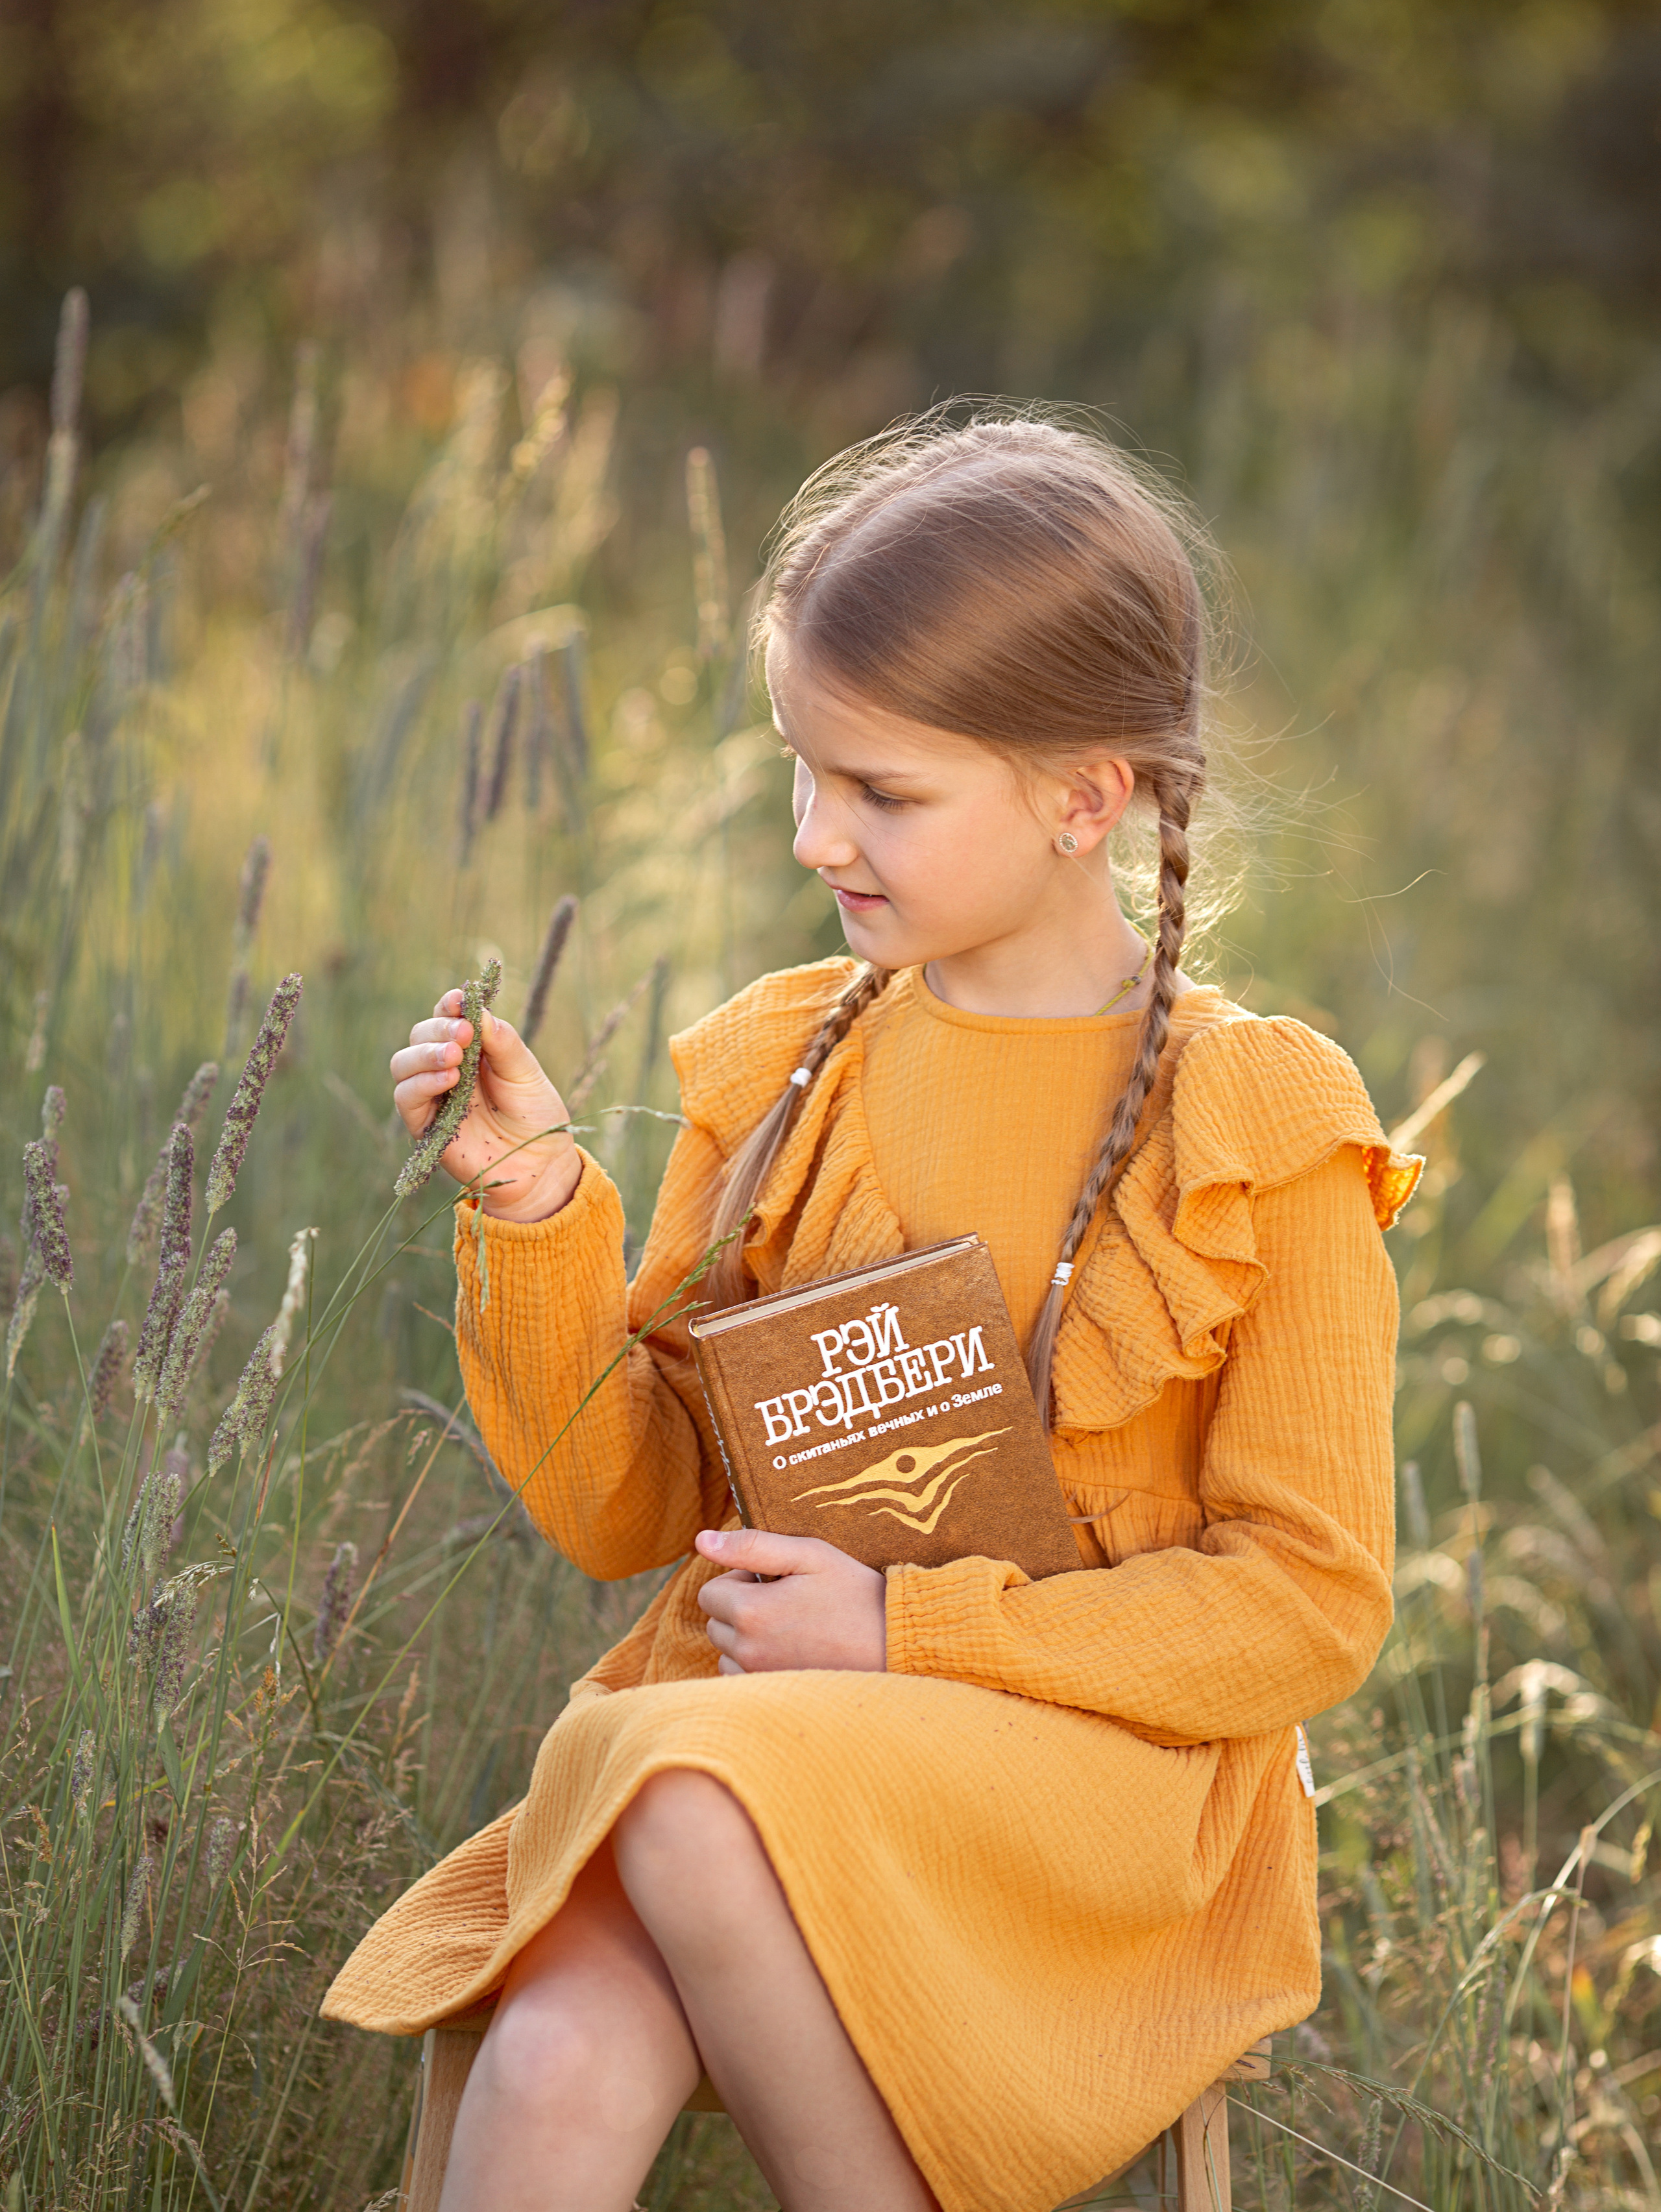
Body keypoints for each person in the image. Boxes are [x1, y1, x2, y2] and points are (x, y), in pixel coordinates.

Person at [322, 411, 1420, 2212]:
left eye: (886, 792)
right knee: (566, 2043)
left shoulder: (1259, 1123)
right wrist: (535, 1211)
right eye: (803, 771)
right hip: (757, 1744)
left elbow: (1305, 1611)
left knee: (665, 1781)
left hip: (1092, 1806)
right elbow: (626, 1512)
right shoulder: (783, 1066)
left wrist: (913, 1636)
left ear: (1086, 796)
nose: (819, 833)